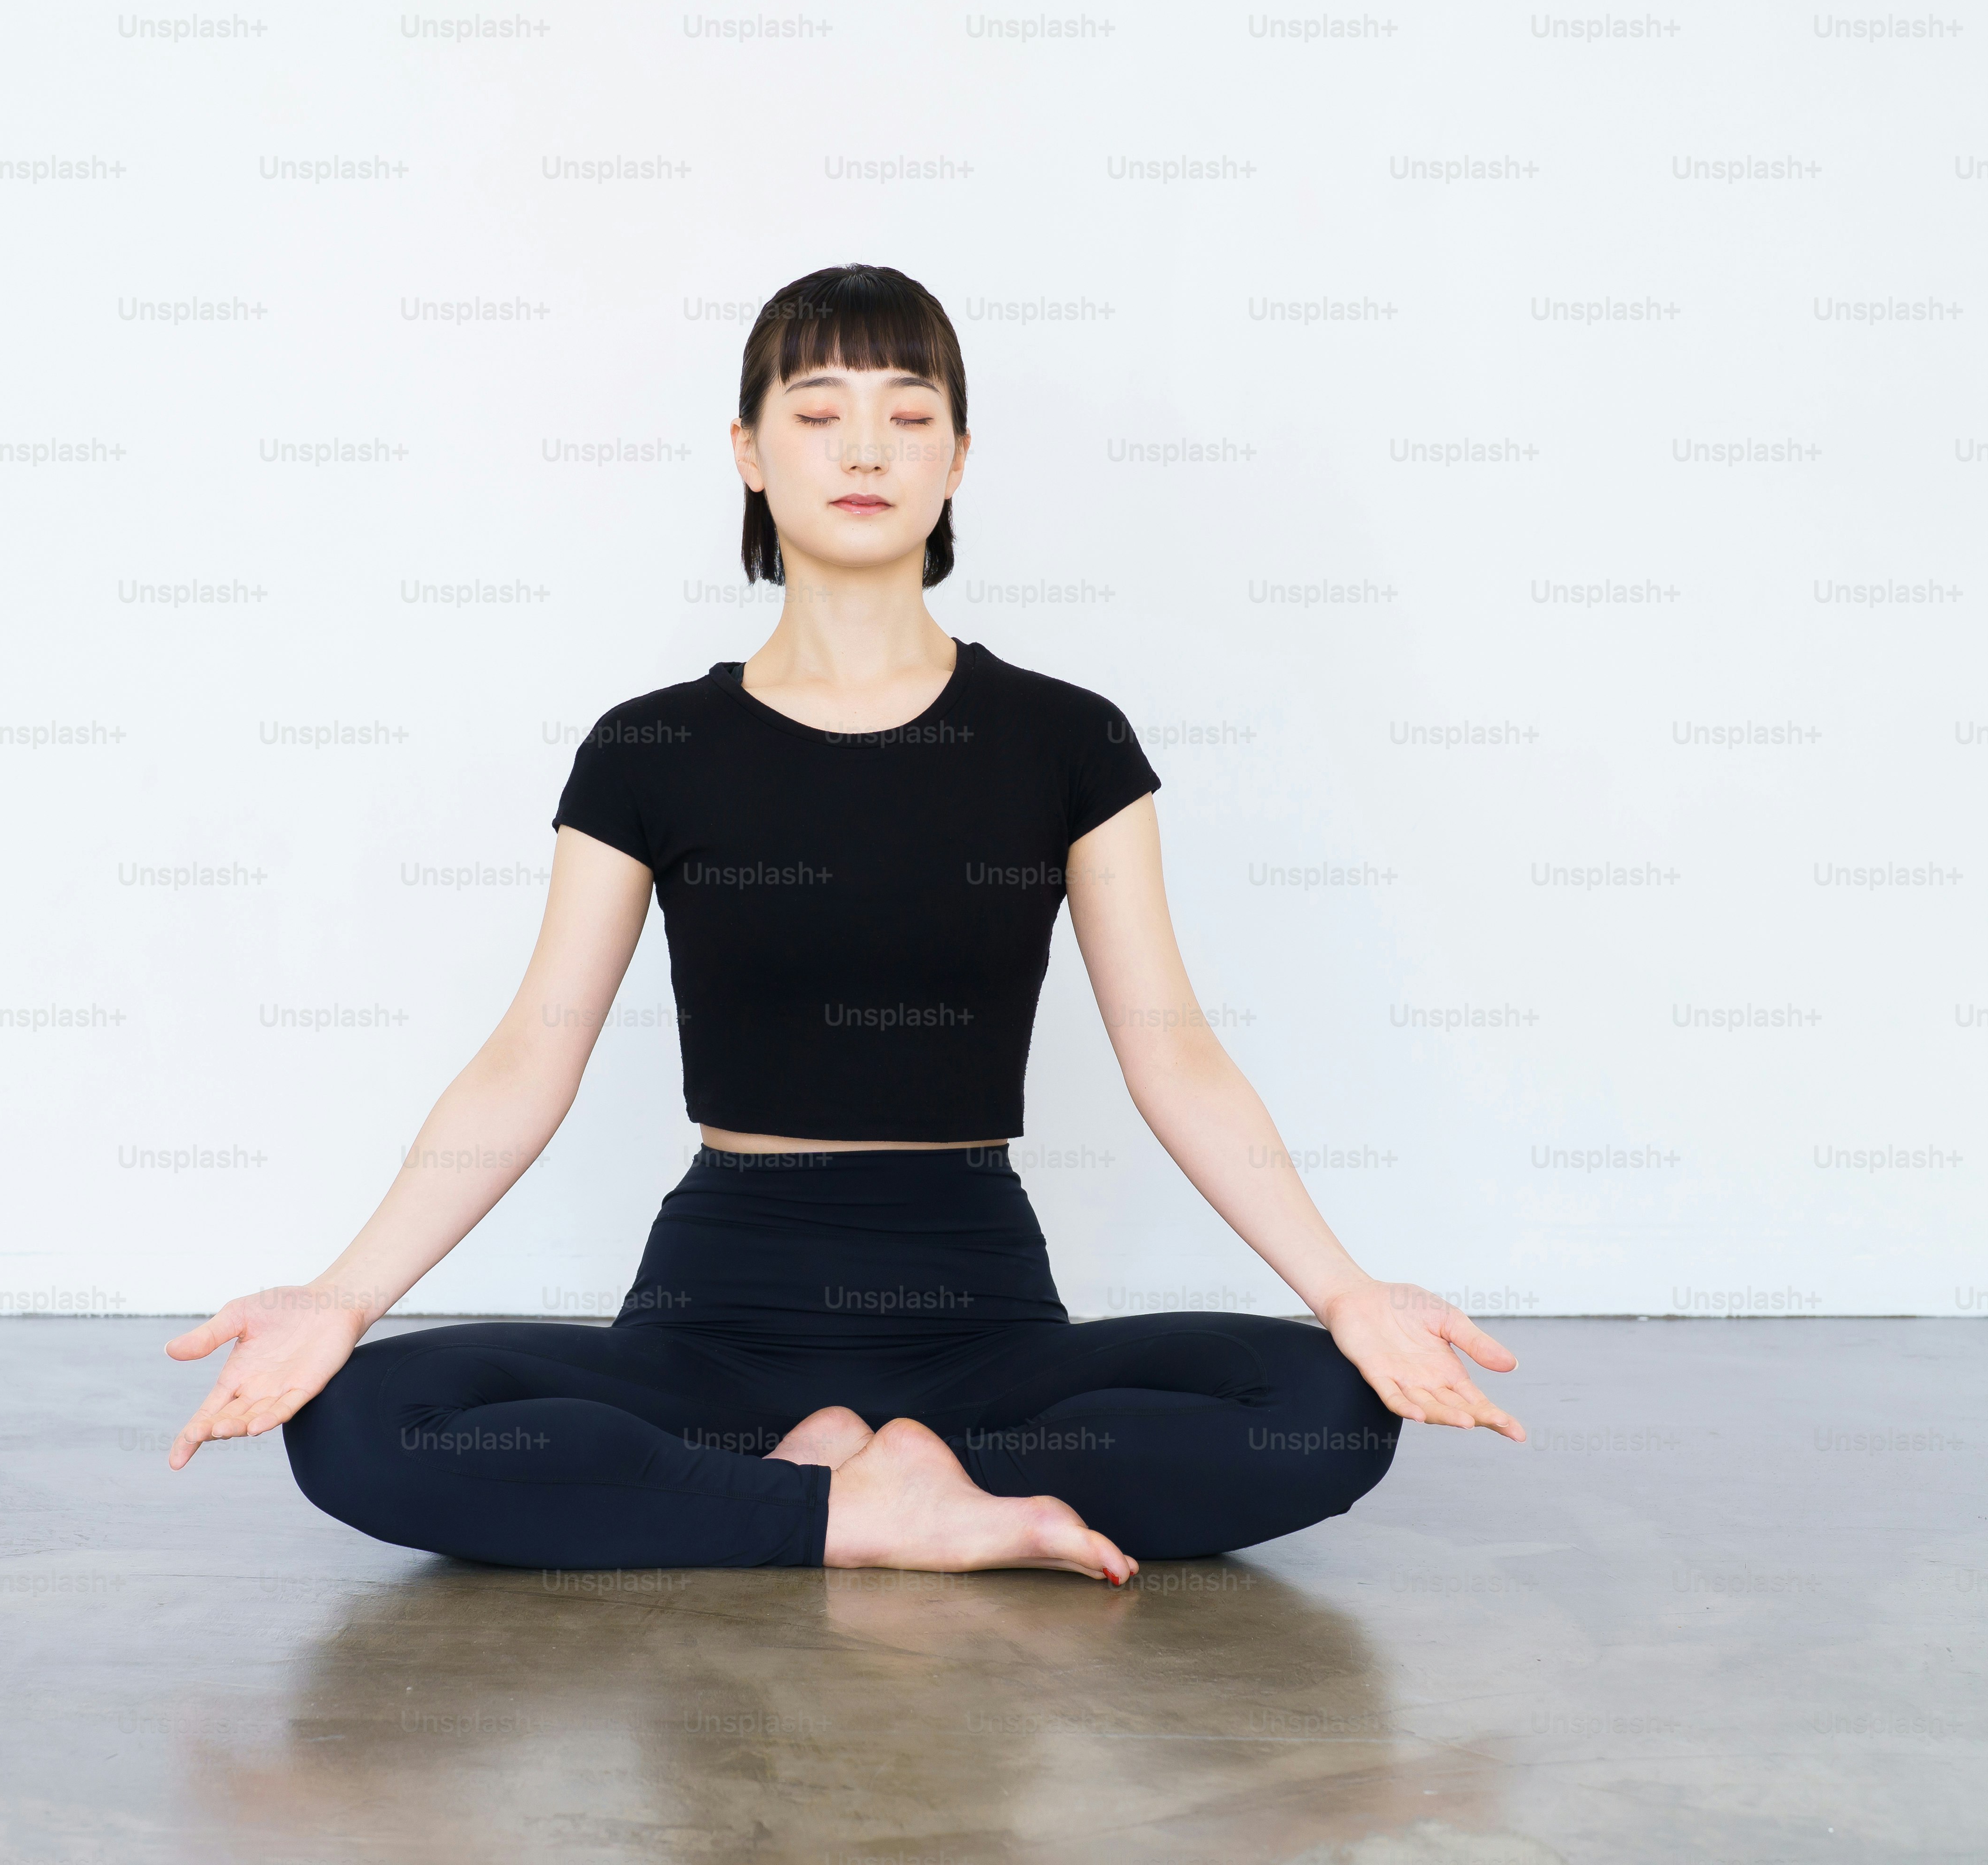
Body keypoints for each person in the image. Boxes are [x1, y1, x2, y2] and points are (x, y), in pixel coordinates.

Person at [166, 264, 1526, 1579]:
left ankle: (828, 1488)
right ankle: (876, 1511)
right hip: (712, 1325)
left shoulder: (1069, 741)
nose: (865, 448)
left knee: (1324, 1406)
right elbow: (532, 1053)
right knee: (358, 1420)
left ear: (958, 458)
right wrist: (340, 1296)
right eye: (819, 413)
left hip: (982, 1326)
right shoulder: (650, 749)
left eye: (908, 415)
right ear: (750, 453)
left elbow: (1175, 1053)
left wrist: (1347, 1291)